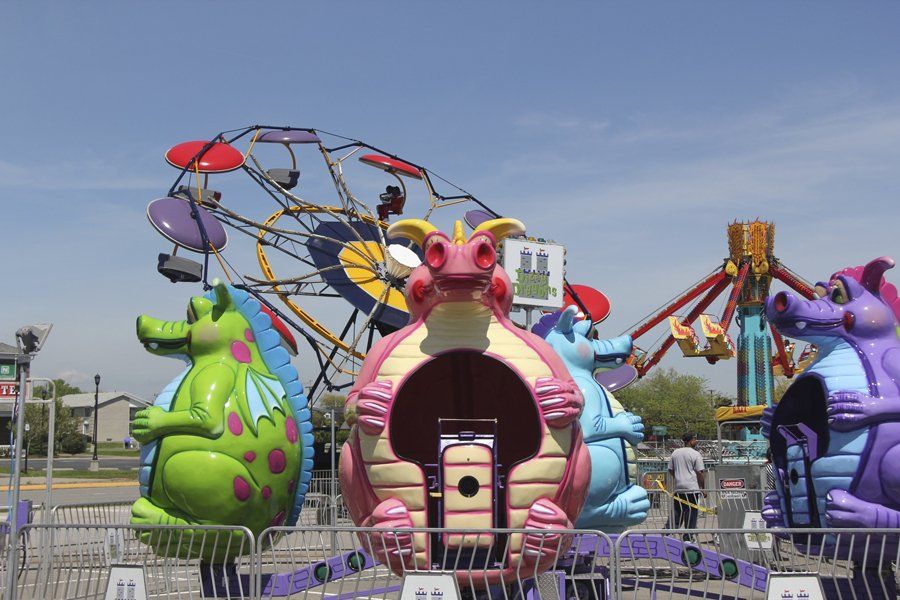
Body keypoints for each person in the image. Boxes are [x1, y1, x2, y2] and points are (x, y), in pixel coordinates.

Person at [668, 432, 706, 538]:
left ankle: (667, 533)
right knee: (691, 513)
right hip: (692, 489)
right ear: (691, 441)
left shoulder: (675, 453)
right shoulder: (695, 454)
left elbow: (670, 469)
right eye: (695, 439)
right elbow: (700, 473)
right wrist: (703, 488)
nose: (696, 441)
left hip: (679, 488)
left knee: (677, 512)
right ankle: (688, 536)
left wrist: (678, 477)